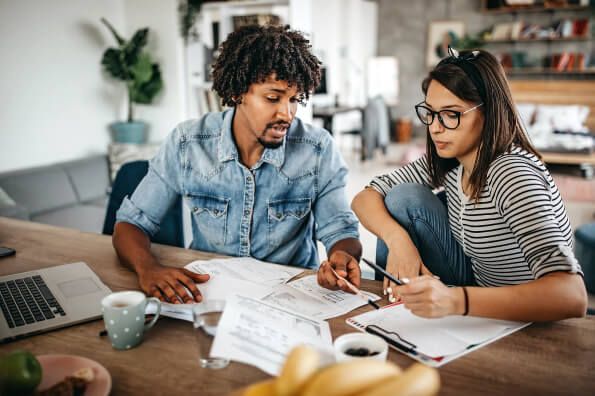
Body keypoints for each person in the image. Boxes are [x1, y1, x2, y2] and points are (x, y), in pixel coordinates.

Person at [113, 25, 362, 304]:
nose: (287, 113)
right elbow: (130, 225)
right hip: (208, 294)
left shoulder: (317, 149)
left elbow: (342, 232)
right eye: (272, 98)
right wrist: (148, 269)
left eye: (294, 100)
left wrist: (341, 258)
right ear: (237, 93)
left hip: (289, 299)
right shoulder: (188, 143)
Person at [352, 47, 587, 322]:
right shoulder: (450, 160)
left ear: (488, 112)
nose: (435, 128)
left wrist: (455, 300)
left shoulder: (512, 173)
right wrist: (399, 240)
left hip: (521, 311)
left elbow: (573, 295)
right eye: (430, 112)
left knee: (404, 199)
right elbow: (364, 198)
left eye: (452, 114)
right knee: (402, 198)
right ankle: (393, 312)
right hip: (475, 282)